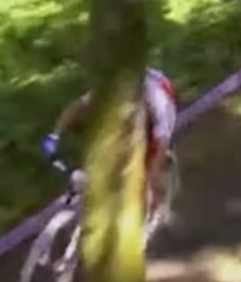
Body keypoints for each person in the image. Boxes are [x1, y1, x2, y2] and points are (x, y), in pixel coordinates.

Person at [41, 67, 178, 215]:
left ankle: (156, 208)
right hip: (137, 110)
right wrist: (54, 136)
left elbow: (162, 142)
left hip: (159, 109)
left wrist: (154, 172)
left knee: (150, 170)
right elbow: (77, 107)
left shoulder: (158, 101)